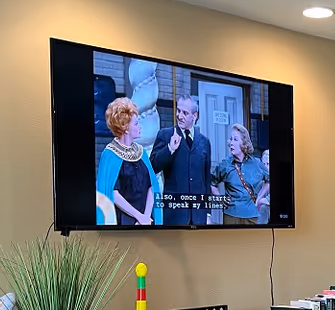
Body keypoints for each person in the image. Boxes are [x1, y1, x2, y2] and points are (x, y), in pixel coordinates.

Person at [96, 98, 162, 226]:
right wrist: (138, 216)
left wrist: (146, 217)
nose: (140, 127)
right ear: (125, 127)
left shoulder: (141, 152)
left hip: (147, 221)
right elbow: (112, 193)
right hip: (123, 222)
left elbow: (152, 186)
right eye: (136, 124)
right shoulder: (109, 155)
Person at [150, 94, 211, 226]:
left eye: (185, 113)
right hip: (174, 214)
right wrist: (170, 149)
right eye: (178, 111)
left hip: (198, 215)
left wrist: (207, 212)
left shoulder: (204, 142)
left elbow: (206, 180)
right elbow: (153, 167)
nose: (179, 116)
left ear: (194, 116)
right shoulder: (165, 135)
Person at [210, 124, 269, 225]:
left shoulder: (256, 164)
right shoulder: (225, 164)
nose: (231, 143)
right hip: (231, 215)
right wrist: (220, 199)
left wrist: (259, 198)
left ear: (244, 143)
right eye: (231, 139)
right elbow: (211, 183)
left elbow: (269, 180)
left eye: (235, 140)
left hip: (251, 215)